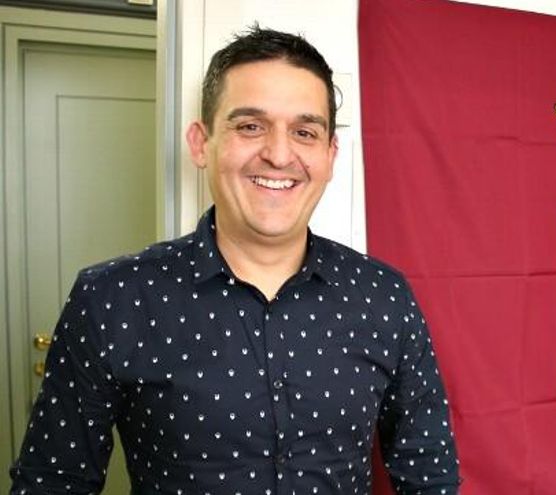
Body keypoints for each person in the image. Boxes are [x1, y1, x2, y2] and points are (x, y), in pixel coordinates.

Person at [10, 26, 460, 494]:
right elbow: (51, 482)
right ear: (200, 142)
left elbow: (429, 474)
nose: (279, 154)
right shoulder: (112, 300)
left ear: (330, 155)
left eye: (304, 132)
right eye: (250, 126)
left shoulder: (383, 296)